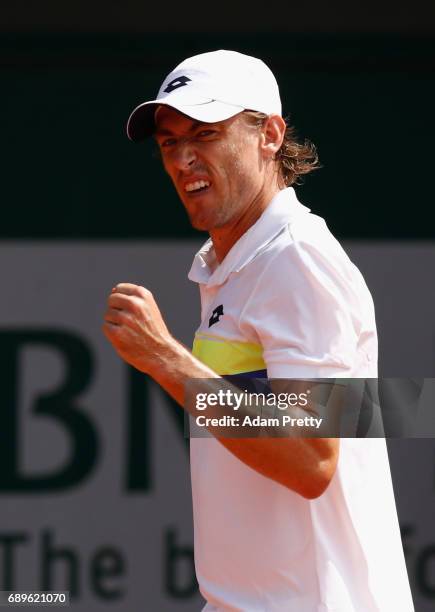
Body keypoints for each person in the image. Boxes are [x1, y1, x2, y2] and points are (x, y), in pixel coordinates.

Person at [103, 50, 414, 611]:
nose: (184, 158)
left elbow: (310, 458)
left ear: (269, 134)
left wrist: (167, 361)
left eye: (206, 134)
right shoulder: (240, 265)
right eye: (170, 142)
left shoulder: (296, 259)